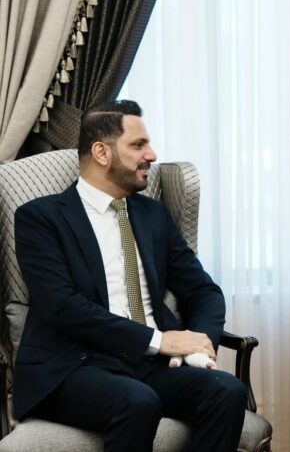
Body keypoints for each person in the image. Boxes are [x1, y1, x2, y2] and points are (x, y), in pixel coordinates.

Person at [13, 100, 246, 452]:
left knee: (227, 391)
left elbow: (203, 290)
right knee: (137, 401)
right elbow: (62, 306)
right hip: (73, 366)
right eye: (138, 145)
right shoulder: (40, 218)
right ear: (101, 152)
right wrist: (158, 340)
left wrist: (198, 346)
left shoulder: (153, 215)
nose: (151, 155)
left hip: (147, 365)